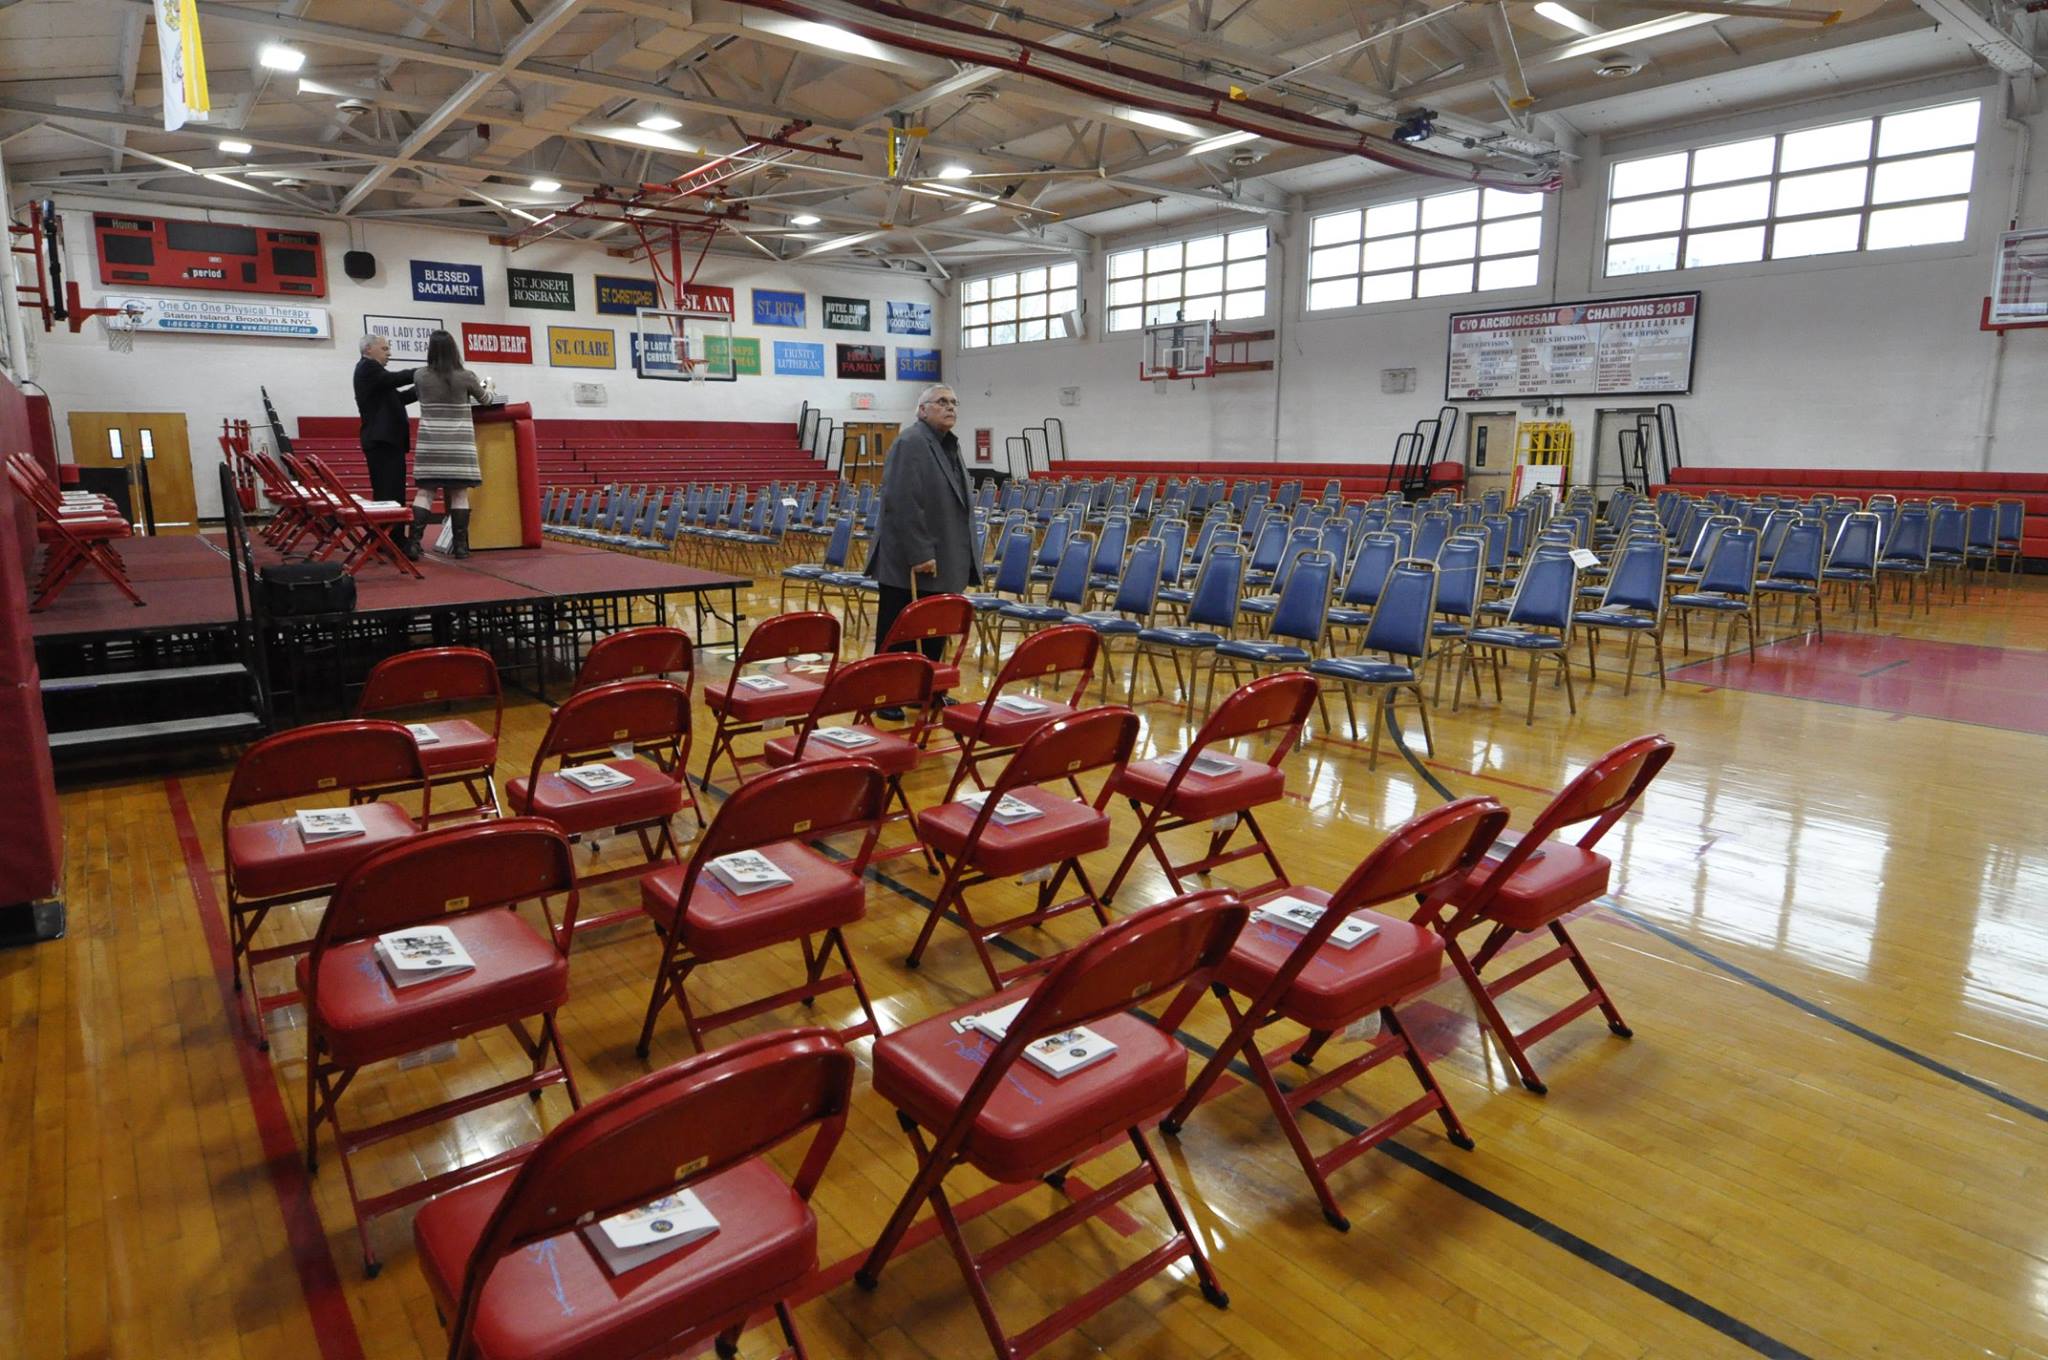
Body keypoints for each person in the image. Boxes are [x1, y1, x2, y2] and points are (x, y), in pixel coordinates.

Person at [867, 385, 977, 714]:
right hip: (909, 560)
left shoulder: (948, 445)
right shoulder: (911, 442)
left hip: (945, 556)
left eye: (954, 402)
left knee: (934, 630)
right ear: (922, 410)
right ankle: (886, 695)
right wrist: (919, 552)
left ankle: (926, 690)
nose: (951, 408)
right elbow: (902, 502)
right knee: (898, 631)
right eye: (942, 402)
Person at [405, 330, 492, 560]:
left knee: (424, 493)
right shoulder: (466, 376)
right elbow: (486, 400)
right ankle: (461, 547)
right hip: (459, 446)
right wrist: (489, 388)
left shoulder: (420, 376)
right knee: (459, 494)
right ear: (454, 349)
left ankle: (413, 544)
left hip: (430, 445)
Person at [353, 334, 416, 506]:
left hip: (387, 442)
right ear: (368, 349)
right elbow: (396, 378)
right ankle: (392, 532)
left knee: (393, 492)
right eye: (384, 349)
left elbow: (400, 399)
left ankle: (394, 532)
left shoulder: (376, 374)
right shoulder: (367, 368)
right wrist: (422, 373)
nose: (389, 354)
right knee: (389, 494)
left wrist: (423, 386)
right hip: (382, 441)